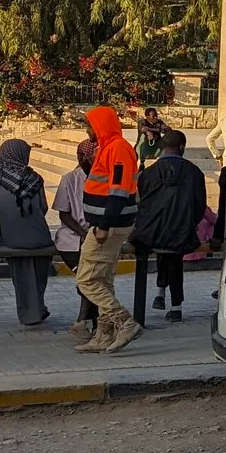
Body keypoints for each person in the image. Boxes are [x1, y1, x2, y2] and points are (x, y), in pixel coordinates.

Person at [78, 107, 143, 354]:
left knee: (87, 279)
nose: (86, 130)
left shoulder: (118, 149)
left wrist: (104, 225)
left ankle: (124, 321)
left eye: (89, 125)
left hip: (109, 226)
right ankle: (103, 335)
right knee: (103, 279)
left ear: (100, 126)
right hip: (108, 224)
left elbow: (118, 191)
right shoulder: (109, 147)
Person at [134, 129, 209, 322]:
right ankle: (176, 305)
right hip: (182, 232)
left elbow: (142, 203)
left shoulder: (147, 174)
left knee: (164, 248)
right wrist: (187, 223)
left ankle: (160, 293)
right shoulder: (194, 173)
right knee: (174, 253)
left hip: (150, 233)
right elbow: (200, 206)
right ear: (182, 147)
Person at [0, 139, 55, 327]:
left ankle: (30, 314)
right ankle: (38, 309)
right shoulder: (35, 177)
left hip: (13, 238)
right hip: (41, 238)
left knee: (22, 278)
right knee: (38, 278)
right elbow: (43, 208)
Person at [54, 139, 97, 337]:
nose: (82, 160)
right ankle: (86, 321)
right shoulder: (69, 179)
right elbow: (63, 213)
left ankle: (88, 322)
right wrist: (82, 233)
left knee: (92, 281)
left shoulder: (102, 179)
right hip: (72, 240)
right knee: (87, 281)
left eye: (86, 156)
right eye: (80, 156)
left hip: (97, 238)